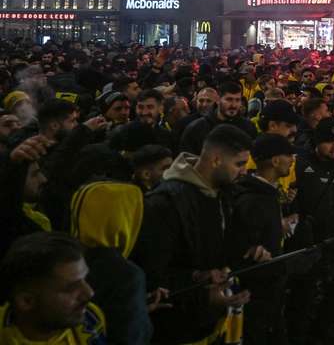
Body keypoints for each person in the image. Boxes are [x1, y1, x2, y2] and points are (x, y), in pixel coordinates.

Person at [134, 124, 263, 344]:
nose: (244, 171)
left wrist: (246, 251)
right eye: (239, 164)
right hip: (176, 331)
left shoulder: (223, 191)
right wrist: (201, 291)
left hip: (210, 325)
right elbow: (151, 276)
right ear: (215, 160)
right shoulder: (165, 202)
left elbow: (215, 247)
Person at [286, 118, 334, 343]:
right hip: (309, 241)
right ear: (316, 142)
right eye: (328, 142)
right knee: (303, 294)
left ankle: (325, 330)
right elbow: (291, 200)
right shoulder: (301, 165)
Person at [70, 181, 157, 345]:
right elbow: (132, 337)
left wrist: (137, 307)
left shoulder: (64, 258)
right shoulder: (127, 275)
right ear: (122, 219)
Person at [232, 134, 296, 345]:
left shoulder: (265, 193)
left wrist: (281, 225)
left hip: (268, 288)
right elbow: (245, 248)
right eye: (288, 156)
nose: (292, 160)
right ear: (275, 160)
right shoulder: (255, 199)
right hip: (258, 292)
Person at [0, 231, 106, 344]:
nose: (90, 293)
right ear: (26, 301)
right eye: (71, 288)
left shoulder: (91, 316)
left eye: (85, 279)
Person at [180, 82, 257, 155]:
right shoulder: (196, 128)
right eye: (229, 99)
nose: (233, 105)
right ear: (218, 100)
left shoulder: (249, 127)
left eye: (237, 100)